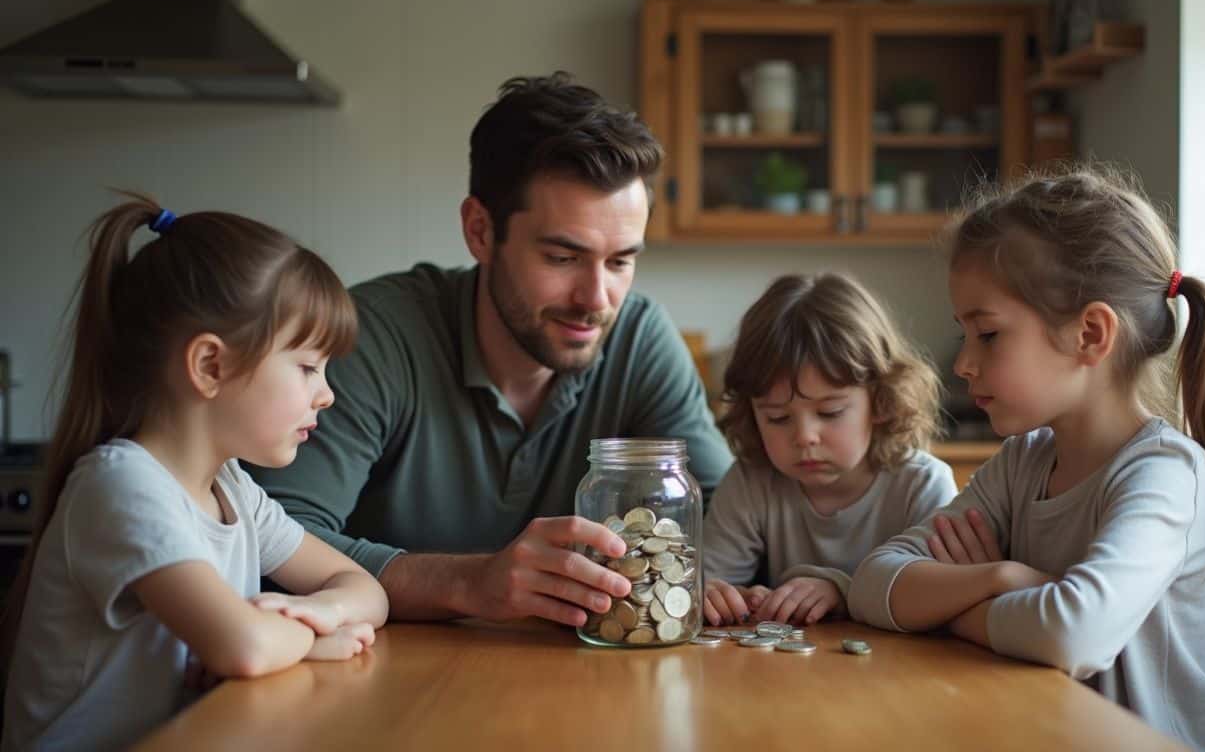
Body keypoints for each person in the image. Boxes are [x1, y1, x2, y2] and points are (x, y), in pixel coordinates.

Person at [247, 72, 732, 627]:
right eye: (562, 257)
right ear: (480, 231)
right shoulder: (372, 336)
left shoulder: (639, 338)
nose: (597, 299)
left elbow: (725, 516)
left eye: (621, 261)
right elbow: (270, 542)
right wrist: (467, 584)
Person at [848, 164, 1205, 751]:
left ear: (1090, 334)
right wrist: (1002, 577)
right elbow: (872, 584)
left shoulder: (1166, 474)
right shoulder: (1023, 463)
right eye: (964, 333)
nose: (962, 363)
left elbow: (1073, 634)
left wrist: (951, 605)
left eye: (987, 334)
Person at [2, 196, 389, 751]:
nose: (326, 395)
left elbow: (365, 589)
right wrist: (311, 639)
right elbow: (245, 649)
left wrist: (312, 611)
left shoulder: (232, 490)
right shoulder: (123, 488)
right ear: (211, 366)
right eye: (307, 367)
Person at [702, 273, 955, 627]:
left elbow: (942, 601)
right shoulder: (751, 483)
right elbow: (710, 583)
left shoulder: (923, 486)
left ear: (882, 400)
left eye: (830, 412)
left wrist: (844, 592)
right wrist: (717, 595)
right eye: (777, 417)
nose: (805, 437)